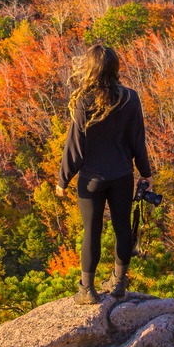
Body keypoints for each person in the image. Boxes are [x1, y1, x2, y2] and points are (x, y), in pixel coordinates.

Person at [55, 44, 153, 305]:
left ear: (90, 68)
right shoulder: (131, 98)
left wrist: (63, 180)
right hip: (122, 176)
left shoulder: (83, 101)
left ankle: (87, 290)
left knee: (92, 231)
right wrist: (146, 173)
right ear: (115, 67)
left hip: (92, 180)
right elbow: (138, 141)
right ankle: (119, 283)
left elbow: (74, 146)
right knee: (122, 227)